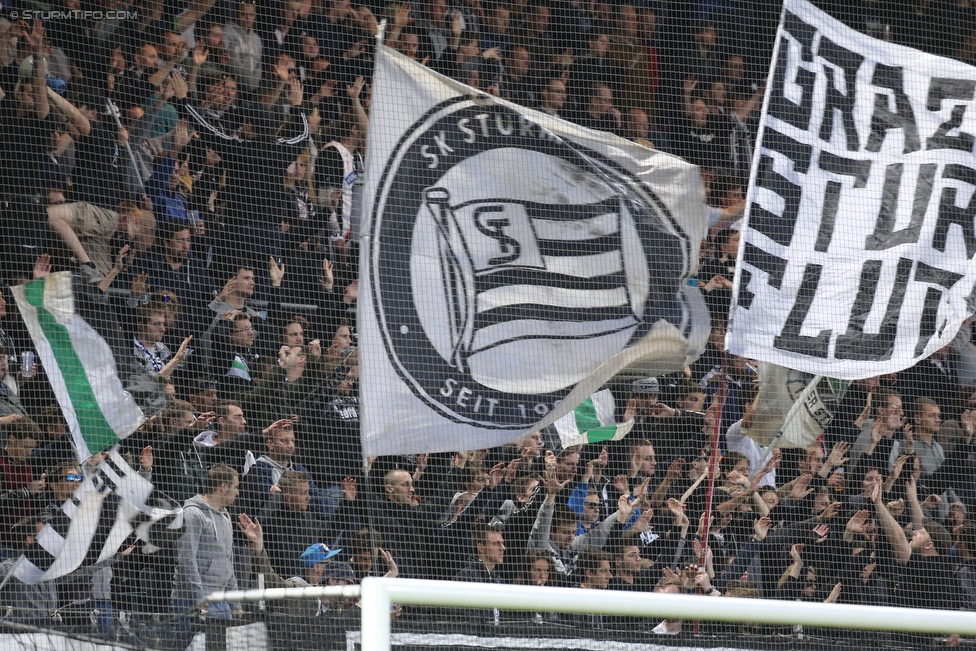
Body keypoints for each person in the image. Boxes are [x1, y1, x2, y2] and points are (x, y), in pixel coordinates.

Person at [171, 464, 243, 619]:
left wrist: (235, 603)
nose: (237, 492)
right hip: (191, 601)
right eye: (235, 487)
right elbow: (186, 559)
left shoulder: (225, 516)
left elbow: (227, 561)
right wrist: (199, 597)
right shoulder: (193, 514)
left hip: (221, 601)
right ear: (223, 486)